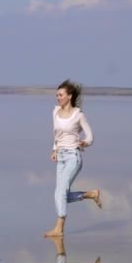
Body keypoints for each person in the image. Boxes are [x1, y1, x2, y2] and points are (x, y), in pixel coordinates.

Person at [44, 79, 102, 238]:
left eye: (61, 95)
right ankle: (91, 194)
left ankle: (59, 229)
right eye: (57, 95)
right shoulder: (55, 111)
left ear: (69, 96)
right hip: (61, 156)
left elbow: (90, 136)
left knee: (59, 193)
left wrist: (85, 142)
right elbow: (56, 135)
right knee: (60, 194)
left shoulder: (78, 115)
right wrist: (54, 149)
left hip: (73, 157)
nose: (58, 97)